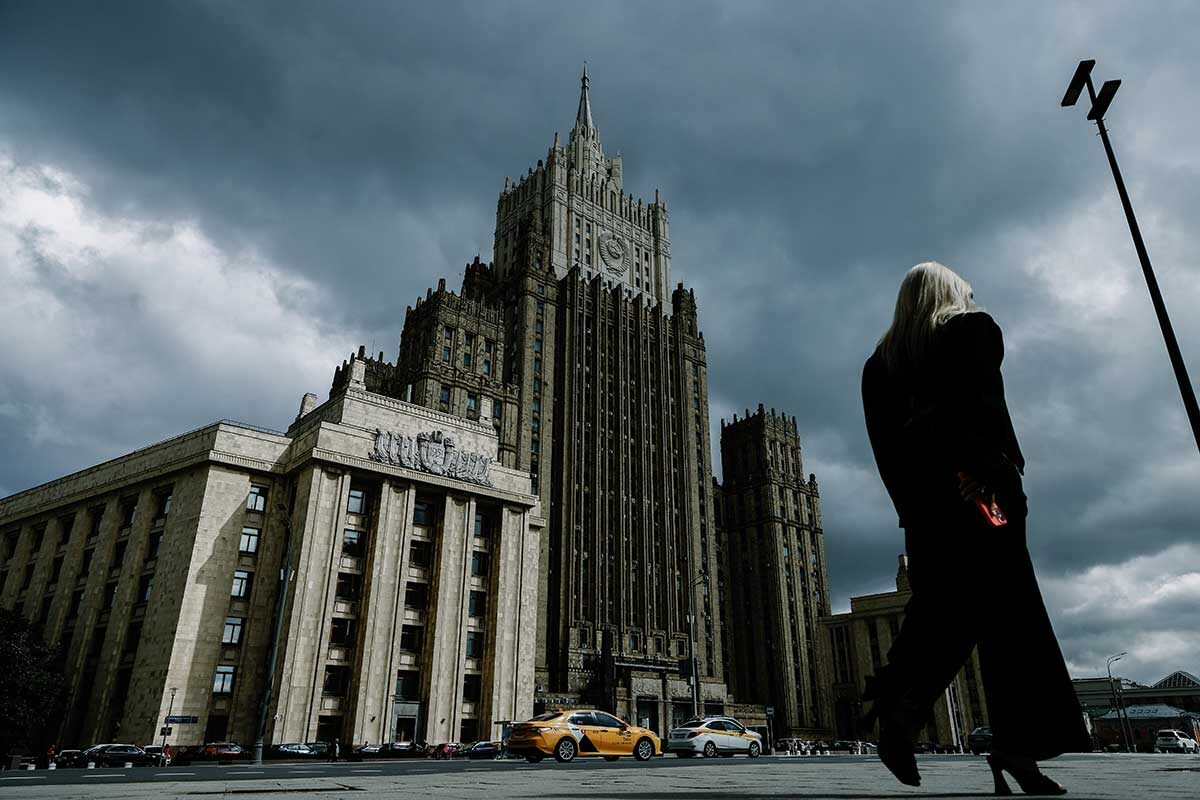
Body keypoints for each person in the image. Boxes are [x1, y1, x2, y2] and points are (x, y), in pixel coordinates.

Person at [860, 262, 1090, 794]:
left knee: (947, 609)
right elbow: (984, 407)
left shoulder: (879, 365)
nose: (971, 297)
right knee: (1012, 621)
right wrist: (986, 469)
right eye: (966, 291)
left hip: (926, 512)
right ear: (950, 295)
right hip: (982, 497)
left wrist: (914, 508)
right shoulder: (973, 329)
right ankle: (1014, 745)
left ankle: (904, 707)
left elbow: (886, 452)